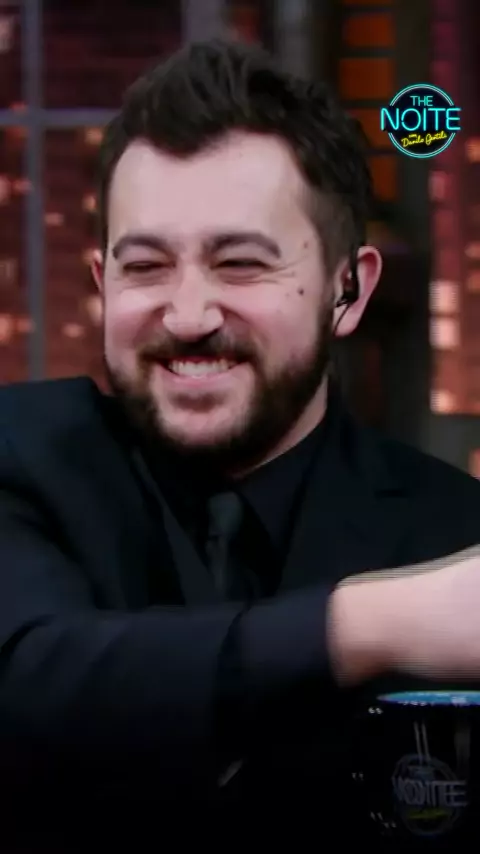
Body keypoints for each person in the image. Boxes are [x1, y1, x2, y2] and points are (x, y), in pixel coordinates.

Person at [1, 37, 480, 848]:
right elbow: (27, 683)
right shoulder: (17, 458)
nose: (188, 315)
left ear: (348, 289)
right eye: (146, 267)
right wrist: (372, 625)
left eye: (240, 264)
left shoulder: (457, 528)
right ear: (102, 283)